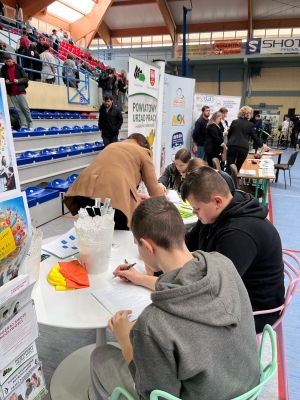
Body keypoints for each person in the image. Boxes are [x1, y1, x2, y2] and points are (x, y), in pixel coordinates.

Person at [90, 196, 260, 400]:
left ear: (148, 246)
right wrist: (142, 279)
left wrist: (126, 341)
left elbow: (153, 396)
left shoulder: (153, 324)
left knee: (99, 356)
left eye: (138, 245)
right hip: (248, 388)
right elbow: (186, 283)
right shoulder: (223, 265)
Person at [181, 166, 285, 333]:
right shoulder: (212, 215)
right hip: (232, 291)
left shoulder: (239, 233)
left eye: (197, 208)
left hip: (256, 309)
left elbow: (213, 287)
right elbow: (187, 244)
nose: (194, 213)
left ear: (217, 201)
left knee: (181, 323)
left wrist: (155, 279)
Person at [64, 133, 167, 230]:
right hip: (112, 202)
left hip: (84, 191)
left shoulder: (112, 146)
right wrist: (161, 187)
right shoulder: (143, 151)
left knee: (91, 234)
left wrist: (132, 196)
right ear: (145, 145)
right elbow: (155, 192)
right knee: (117, 239)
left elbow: (107, 176)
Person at [226, 106, 267, 172]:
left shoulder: (234, 122)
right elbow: (255, 138)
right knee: (239, 167)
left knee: (229, 166)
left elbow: (229, 134)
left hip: (232, 145)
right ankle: (237, 181)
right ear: (249, 114)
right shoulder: (250, 124)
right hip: (243, 147)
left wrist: (229, 143)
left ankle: (227, 181)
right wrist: (262, 144)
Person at [0, 53, 33, 128]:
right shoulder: (3, 69)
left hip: (20, 90)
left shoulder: (19, 67)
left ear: (12, 59)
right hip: (11, 92)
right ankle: (24, 124)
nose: (8, 63)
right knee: (18, 110)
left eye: (9, 61)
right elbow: (1, 79)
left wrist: (18, 81)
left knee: (25, 108)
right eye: (6, 62)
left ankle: (30, 123)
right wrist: (6, 81)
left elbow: (26, 78)